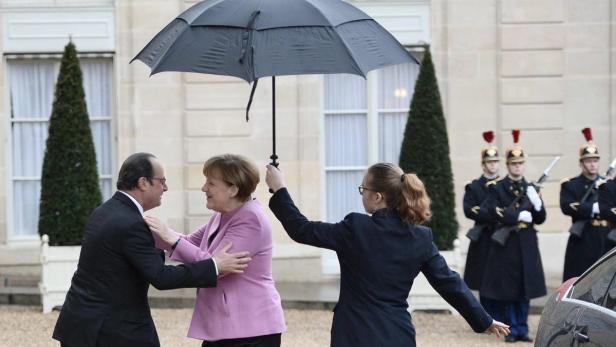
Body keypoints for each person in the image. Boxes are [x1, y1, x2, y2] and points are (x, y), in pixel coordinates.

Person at [265, 162, 509, 347]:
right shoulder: (420, 237)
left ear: (377, 197)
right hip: (397, 334)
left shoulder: (355, 228)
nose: (362, 194)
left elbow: (301, 229)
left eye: (363, 189)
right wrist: (484, 320)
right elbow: (449, 282)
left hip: (354, 333)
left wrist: (279, 188)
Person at [52, 153, 251, 347]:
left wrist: (167, 242)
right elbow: (161, 277)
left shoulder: (107, 210)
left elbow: (127, 258)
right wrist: (215, 266)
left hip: (80, 324)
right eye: (161, 181)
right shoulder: (131, 222)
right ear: (143, 183)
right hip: (110, 331)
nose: (165, 187)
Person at [146, 154, 286, 347]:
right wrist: (141, 229)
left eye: (211, 183)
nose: (204, 188)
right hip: (227, 327)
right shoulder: (222, 216)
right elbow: (189, 243)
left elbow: (215, 266)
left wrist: (169, 236)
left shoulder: (251, 220)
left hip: (250, 330)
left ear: (233, 189)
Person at [480, 129, 546, 343]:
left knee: (524, 288)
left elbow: (541, 218)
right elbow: (493, 211)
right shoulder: (498, 187)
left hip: (526, 242)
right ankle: (511, 330)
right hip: (507, 243)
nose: (517, 167)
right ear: (508, 166)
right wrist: (519, 214)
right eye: (514, 164)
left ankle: (522, 328)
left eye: (520, 164)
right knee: (508, 289)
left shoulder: (530, 188)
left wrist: (537, 204)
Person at [561, 128, 611, 281]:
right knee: (581, 281)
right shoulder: (571, 185)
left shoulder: (608, 184)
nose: (593, 165)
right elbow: (567, 206)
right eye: (588, 161)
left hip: (606, 238)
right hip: (583, 240)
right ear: (581, 163)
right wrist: (594, 209)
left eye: (595, 161)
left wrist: (601, 209)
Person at [462, 131, 500, 306]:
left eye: (495, 162)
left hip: (500, 235)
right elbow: (469, 210)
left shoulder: (504, 185)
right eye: (489, 162)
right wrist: (495, 213)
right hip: (484, 236)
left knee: (500, 275)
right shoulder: (474, 186)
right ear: (483, 165)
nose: (493, 165)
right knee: (483, 277)